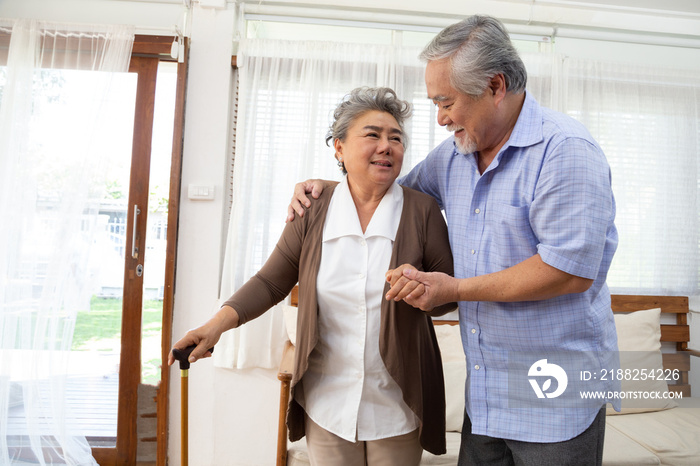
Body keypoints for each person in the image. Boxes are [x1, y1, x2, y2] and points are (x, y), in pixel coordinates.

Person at [286, 16, 620, 466]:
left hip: (555, 397)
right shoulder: (454, 155)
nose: (440, 119)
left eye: (447, 103)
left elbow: (568, 271)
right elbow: (385, 192)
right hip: (486, 399)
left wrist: (455, 289)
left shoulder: (565, 151)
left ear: (495, 86)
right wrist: (325, 189)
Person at [169, 87, 455, 465]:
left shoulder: (422, 210)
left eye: (396, 138)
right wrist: (215, 326)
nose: (386, 146)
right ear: (338, 148)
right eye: (372, 134)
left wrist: (423, 288)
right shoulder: (313, 208)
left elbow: (448, 297)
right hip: (327, 400)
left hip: (399, 401)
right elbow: (271, 282)